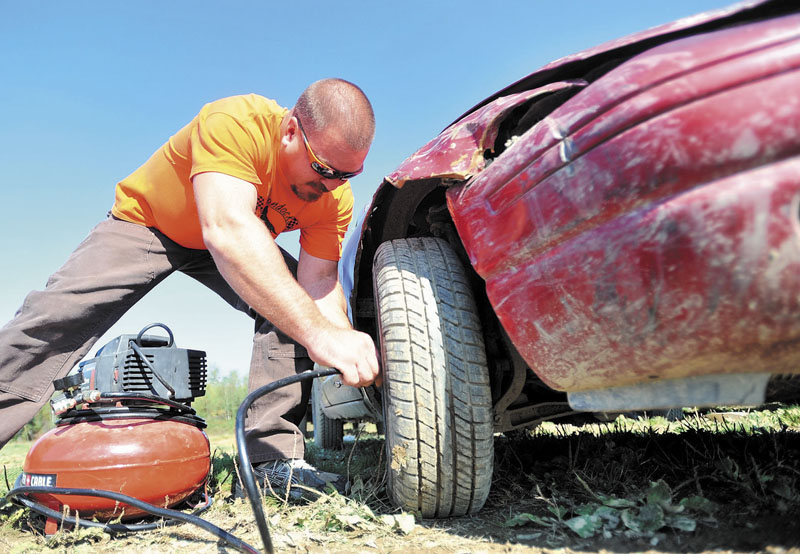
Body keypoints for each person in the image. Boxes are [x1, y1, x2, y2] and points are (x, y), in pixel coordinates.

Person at [0, 78, 381, 500]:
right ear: (291, 129)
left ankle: (269, 463)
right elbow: (228, 229)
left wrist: (341, 338)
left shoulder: (334, 197)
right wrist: (319, 332)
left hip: (227, 236)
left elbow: (319, 284)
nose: (331, 184)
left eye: (347, 174)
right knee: (55, 317)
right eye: (324, 168)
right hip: (151, 222)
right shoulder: (237, 122)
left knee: (292, 309)